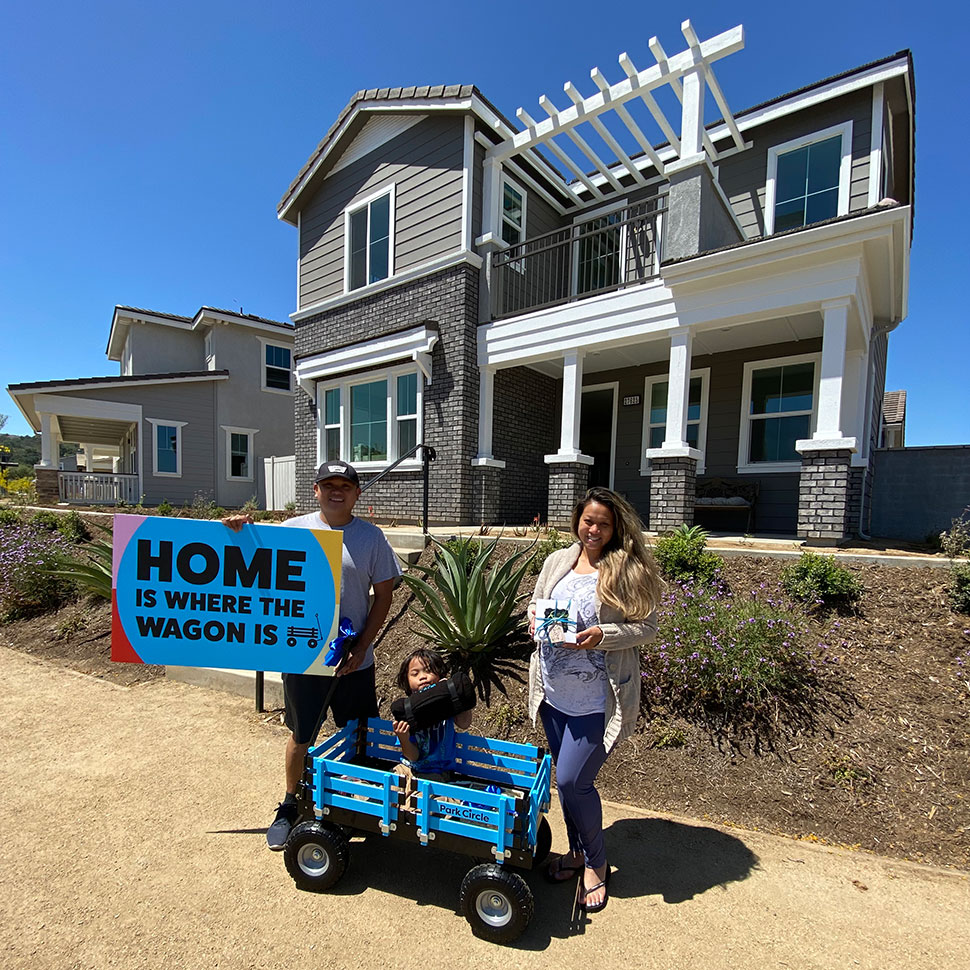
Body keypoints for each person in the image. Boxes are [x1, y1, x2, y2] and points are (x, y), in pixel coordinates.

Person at [224, 459, 401, 850]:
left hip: (354, 662)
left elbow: (384, 597)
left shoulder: (371, 538)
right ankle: (290, 805)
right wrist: (236, 531)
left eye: (346, 486)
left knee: (357, 738)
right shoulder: (292, 530)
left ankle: (356, 806)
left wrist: (362, 647)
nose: (337, 492)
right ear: (316, 490)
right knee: (301, 735)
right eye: (329, 485)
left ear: (357, 493)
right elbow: (248, 561)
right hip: (304, 659)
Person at [528, 487, 661, 914]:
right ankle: (577, 852)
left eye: (603, 523)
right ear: (577, 521)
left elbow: (648, 628)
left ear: (615, 526)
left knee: (571, 781)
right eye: (588, 521)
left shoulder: (626, 568)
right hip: (553, 694)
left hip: (595, 700)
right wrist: (533, 616)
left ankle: (598, 864)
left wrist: (605, 636)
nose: (594, 529)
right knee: (568, 786)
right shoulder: (558, 561)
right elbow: (537, 602)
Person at [391, 648, 474, 799]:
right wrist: (403, 738)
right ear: (407, 682)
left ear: (439, 674)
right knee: (389, 791)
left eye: (428, 671)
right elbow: (413, 756)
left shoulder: (447, 706)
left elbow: (464, 723)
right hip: (408, 768)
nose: (422, 677)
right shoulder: (408, 711)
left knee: (422, 802)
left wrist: (452, 693)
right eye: (415, 674)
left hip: (437, 772)